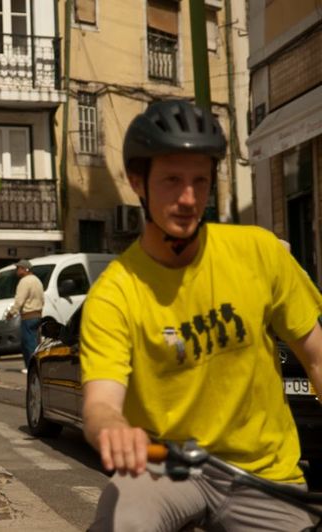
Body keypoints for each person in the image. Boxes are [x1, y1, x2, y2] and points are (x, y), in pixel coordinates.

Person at [79, 99, 322, 531]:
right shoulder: (114, 293)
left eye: (200, 181)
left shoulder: (259, 252)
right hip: (166, 468)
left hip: (263, 471)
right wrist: (114, 430)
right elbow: (100, 405)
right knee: (124, 523)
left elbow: (317, 357)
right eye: (172, 180)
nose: (189, 198)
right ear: (139, 182)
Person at [4, 258, 44, 374]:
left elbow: (19, 300)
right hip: (37, 315)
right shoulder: (37, 280)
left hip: (28, 316)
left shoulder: (24, 281)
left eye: (18, 268)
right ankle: (38, 365)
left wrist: (11, 313)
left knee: (28, 343)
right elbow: (42, 299)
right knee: (36, 342)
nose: (17, 270)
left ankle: (31, 368)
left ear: (25, 269)